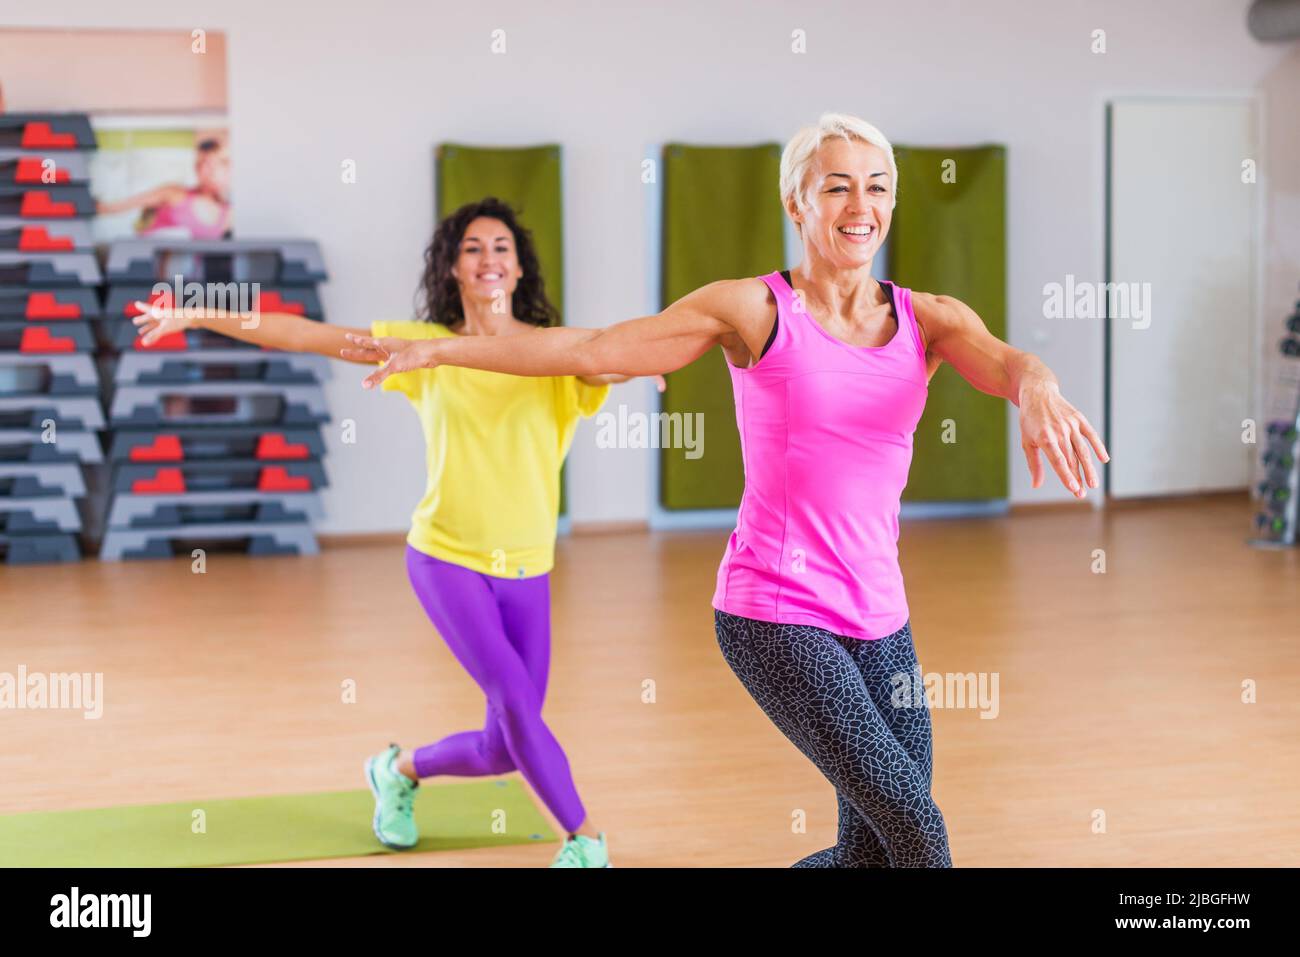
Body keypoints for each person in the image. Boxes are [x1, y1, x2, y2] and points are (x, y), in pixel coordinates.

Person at [345, 114, 1110, 867]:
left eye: (877, 187)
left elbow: (1011, 362)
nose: (860, 206)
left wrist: (1038, 387)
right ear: (796, 203)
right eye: (836, 187)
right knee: (918, 833)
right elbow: (593, 347)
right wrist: (438, 351)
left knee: (868, 853)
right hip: (776, 611)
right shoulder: (755, 310)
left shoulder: (928, 319)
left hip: (881, 617)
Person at [136, 197, 658, 868]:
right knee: (520, 709)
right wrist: (195, 311)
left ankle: (397, 770)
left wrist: (649, 360)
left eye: (502, 246)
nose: (489, 257)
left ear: (521, 268)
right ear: (453, 268)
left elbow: (616, 357)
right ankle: (585, 840)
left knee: (505, 743)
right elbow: (302, 333)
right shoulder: (421, 347)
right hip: (446, 558)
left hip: (529, 567)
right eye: (472, 247)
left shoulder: (557, 355)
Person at [98, 136, 231, 239]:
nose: (210, 171)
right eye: (203, 164)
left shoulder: (227, 213)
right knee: (179, 240)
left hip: (191, 273)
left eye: (218, 164)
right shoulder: (174, 194)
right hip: (159, 268)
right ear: (196, 168)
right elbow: (117, 207)